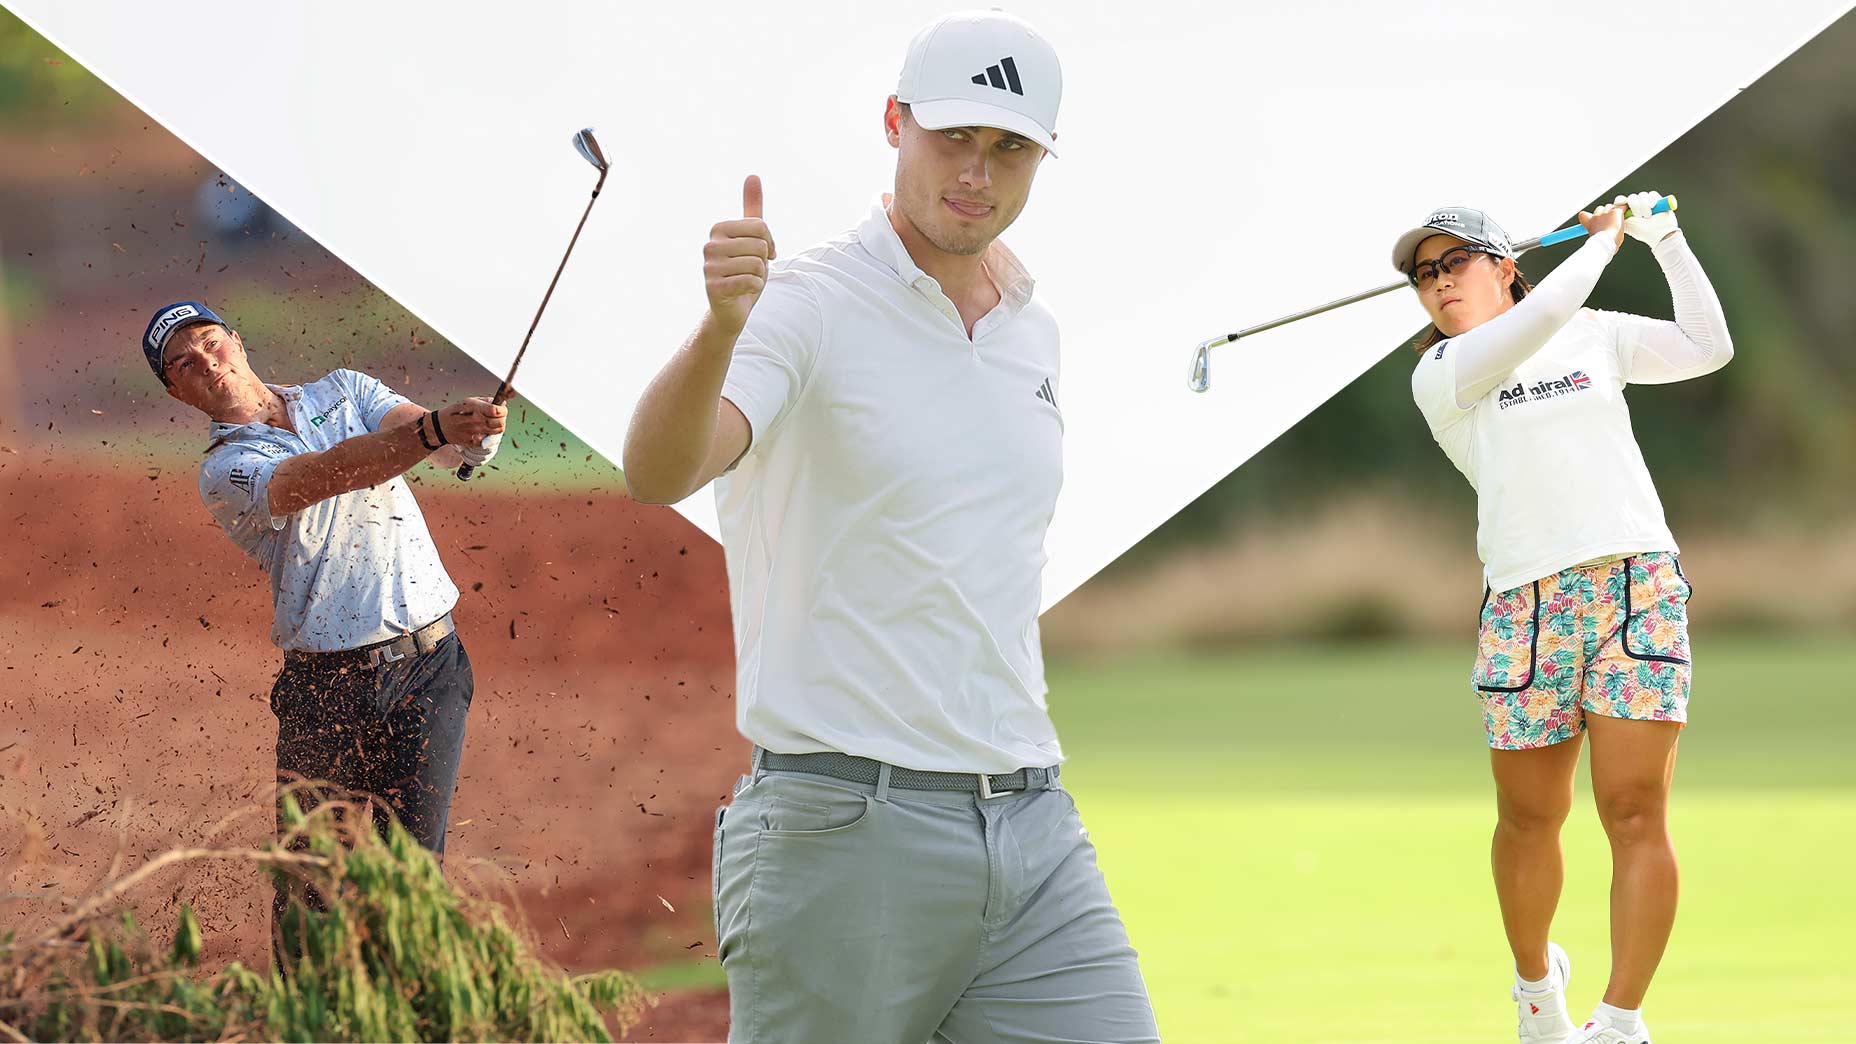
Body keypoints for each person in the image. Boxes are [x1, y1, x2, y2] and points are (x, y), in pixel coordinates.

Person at [622, 11, 1158, 1043]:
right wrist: (719, 326)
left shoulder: (1031, 329)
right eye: (952, 136)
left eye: (1008, 147)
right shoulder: (801, 305)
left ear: (1041, 157)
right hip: (843, 829)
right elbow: (659, 471)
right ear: (892, 123)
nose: (976, 171)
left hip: (1033, 820)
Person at [1396, 193, 1733, 1044]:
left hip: (1635, 582)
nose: (1437, 285)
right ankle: (1537, 992)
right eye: (1422, 274)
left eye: (1453, 263)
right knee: (1530, 817)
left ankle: (1620, 1020)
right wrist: (1608, 240)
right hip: (1526, 601)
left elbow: (1707, 346)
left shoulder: (1594, 335)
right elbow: (1547, 308)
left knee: (1633, 812)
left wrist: (1666, 239)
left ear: (1504, 263)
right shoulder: (1444, 372)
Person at [141, 300, 505, 943]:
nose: (207, 362)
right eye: (184, 364)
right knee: (311, 891)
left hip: (430, 669)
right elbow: (322, 475)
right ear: (176, 391)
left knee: (415, 876)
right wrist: (431, 434)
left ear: (236, 338)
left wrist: (470, 430)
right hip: (326, 691)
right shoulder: (224, 470)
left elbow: (443, 447)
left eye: (209, 342)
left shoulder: (346, 389)